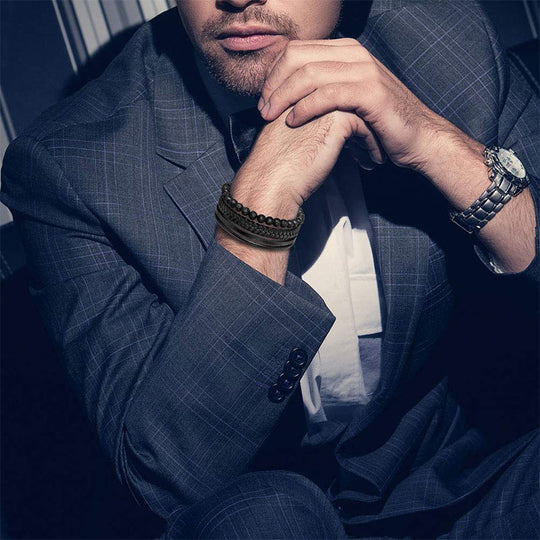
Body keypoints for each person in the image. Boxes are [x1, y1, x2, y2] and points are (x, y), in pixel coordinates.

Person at [1, 0, 538, 538]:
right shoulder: (70, 163)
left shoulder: (449, 42)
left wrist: (435, 145)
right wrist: (259, 210)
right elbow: (167, 478)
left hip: (477, 480)